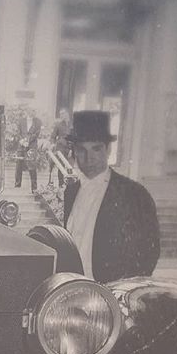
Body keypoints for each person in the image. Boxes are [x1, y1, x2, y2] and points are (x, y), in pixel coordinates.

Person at [64, 111, 160, 283]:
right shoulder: (70, 192)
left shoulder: (134, 194)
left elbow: (148, 254)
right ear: (74, 152)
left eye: (96, 149)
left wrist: (119, 294)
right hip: (72, 291)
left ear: (108, 149)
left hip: (111, 295)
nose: (89, 158)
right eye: (81, 150)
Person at [14, 105, 42, 193]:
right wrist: (22, 141)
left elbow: (37, 133)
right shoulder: (21, 121)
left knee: (32, 165)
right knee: (19, 164)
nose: (32, 112)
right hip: (21, 145)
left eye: (34, 111)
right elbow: (18, 132)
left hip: (32, 146)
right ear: (27, 111)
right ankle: (17, 185)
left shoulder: (38, 122)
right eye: (31, 110)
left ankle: (34, 188)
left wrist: (28, 141)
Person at [49, 108, 72, 187]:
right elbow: (53, 137)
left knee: (70, 167)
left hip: (70, 148)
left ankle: (70, 185)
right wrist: (52, 144)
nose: (62, 115)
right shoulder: (58, 125)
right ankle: (61, 185)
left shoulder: (72, 125)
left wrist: (71, 149)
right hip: (60, 148)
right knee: (61, 166)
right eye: (60, 114)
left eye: (63, 113)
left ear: (67, 114)